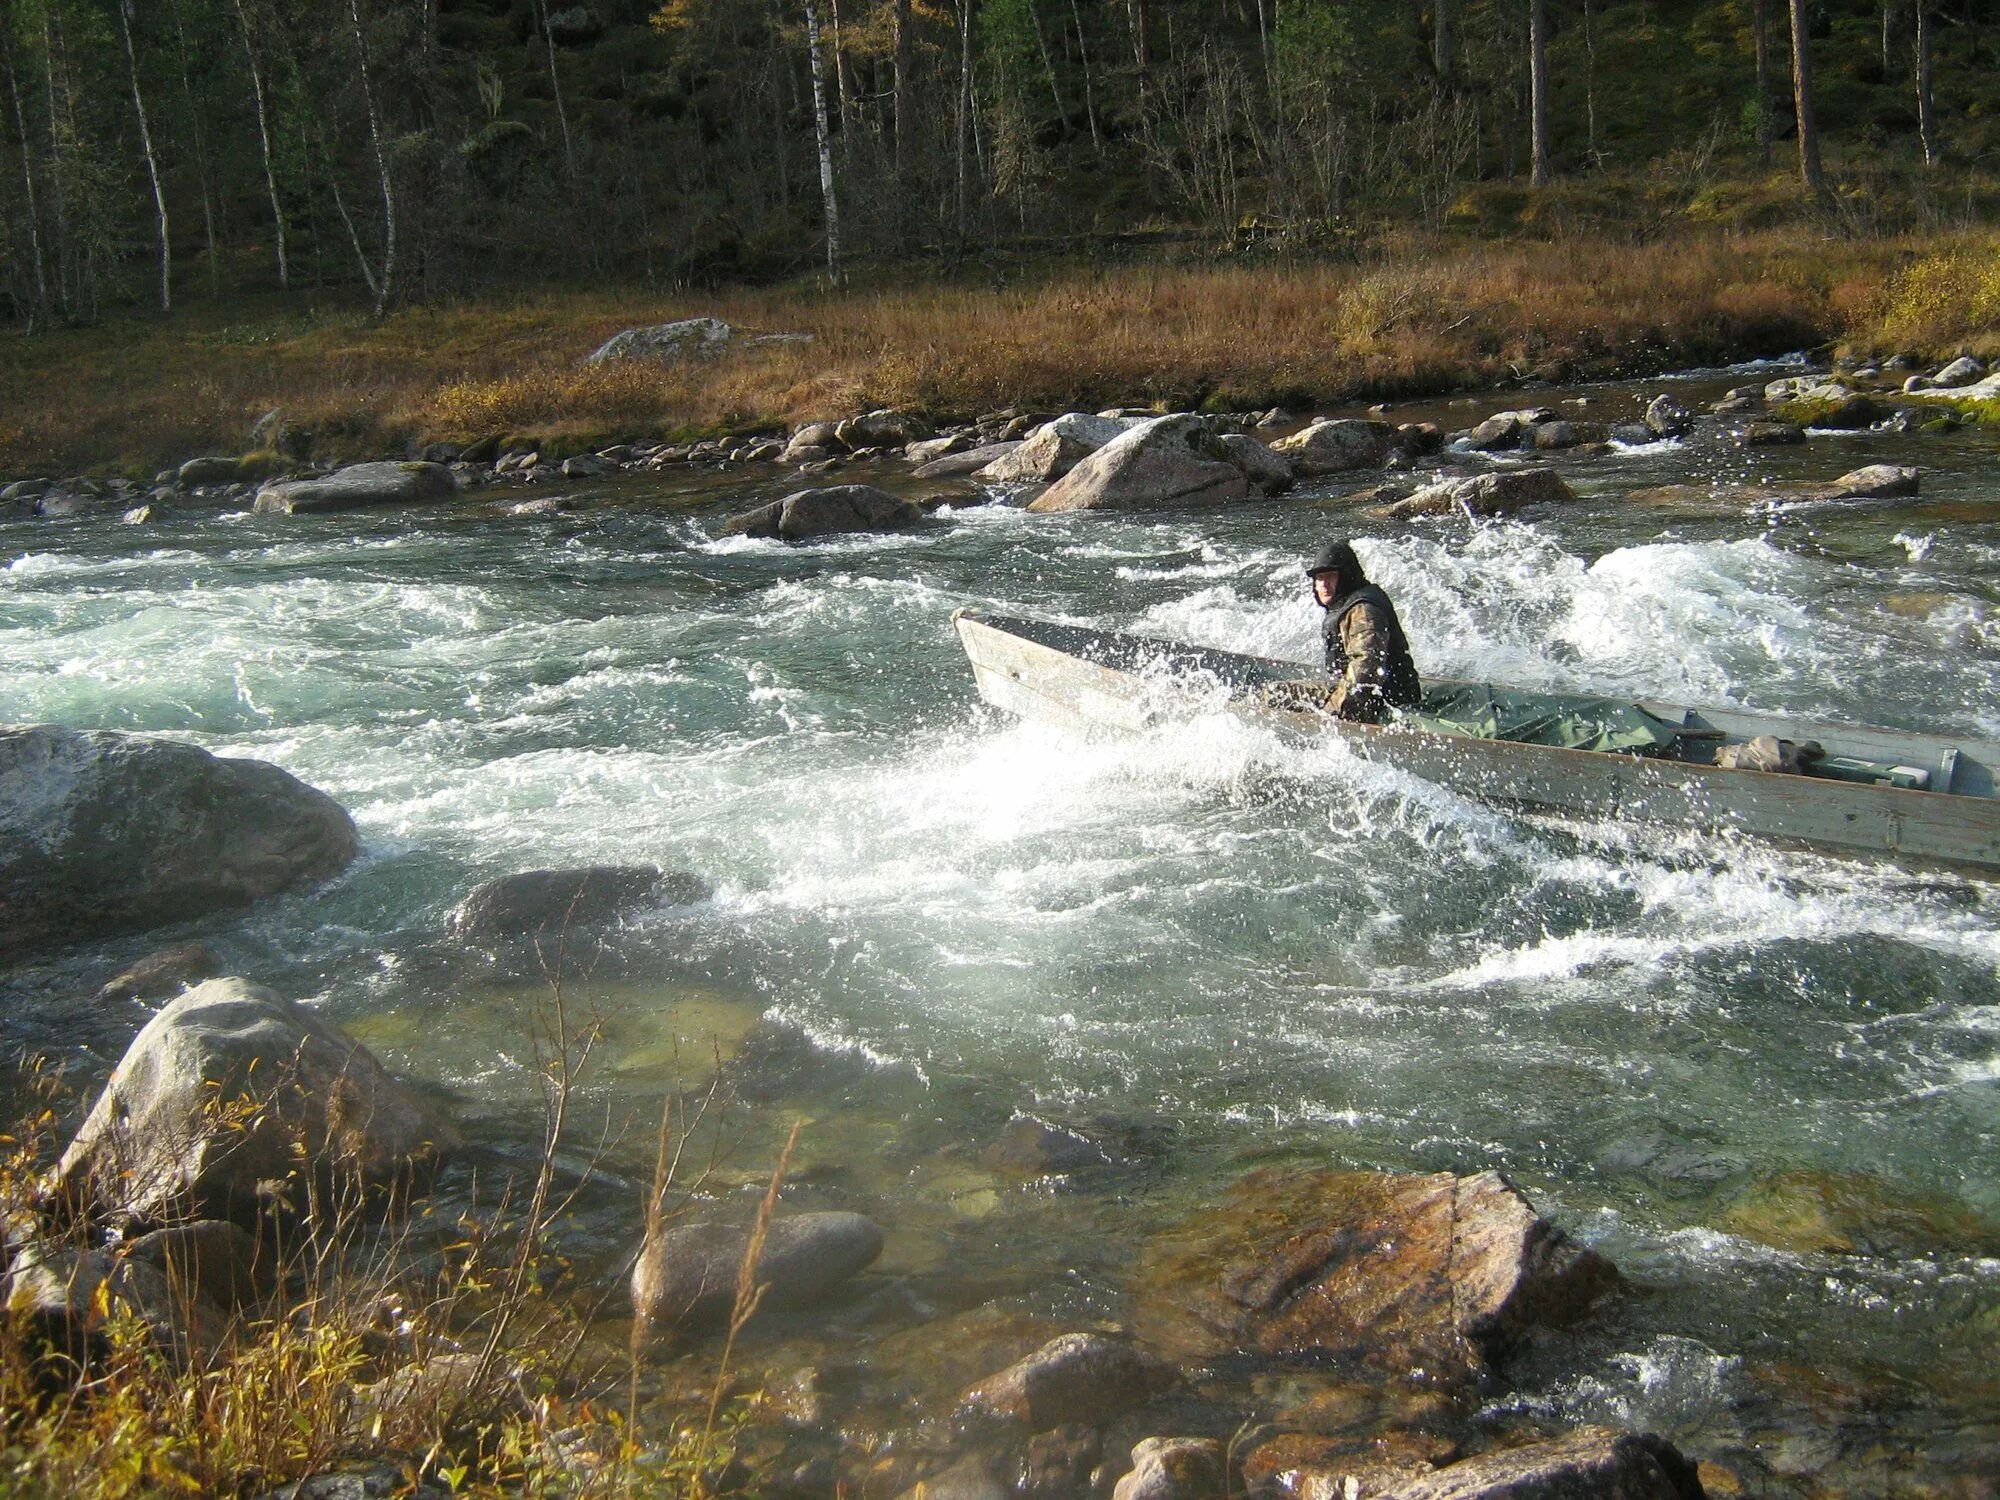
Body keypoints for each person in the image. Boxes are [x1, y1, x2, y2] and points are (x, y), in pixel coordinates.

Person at [1305, 539, 1421, 723]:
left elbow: (1366, 666)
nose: (1324, 585)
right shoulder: (1348, 604)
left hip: (1379, 702)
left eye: (1330, 576)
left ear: (1345, 577)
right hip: (1361, 695)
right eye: (1320, 578)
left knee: (1274, 694)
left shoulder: (1363, 611)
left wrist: (1329, 713)